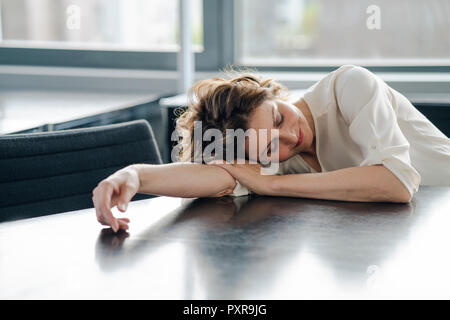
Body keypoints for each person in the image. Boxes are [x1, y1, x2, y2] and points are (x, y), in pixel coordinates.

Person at [92, 65, 450, 232]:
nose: (290, 139)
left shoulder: (349, 87)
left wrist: (274, 185)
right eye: (269, 149)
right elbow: (215, 178)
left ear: (273, 93)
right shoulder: (284, 159)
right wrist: (136, 175)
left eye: (278, 119)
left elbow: (398, 184)